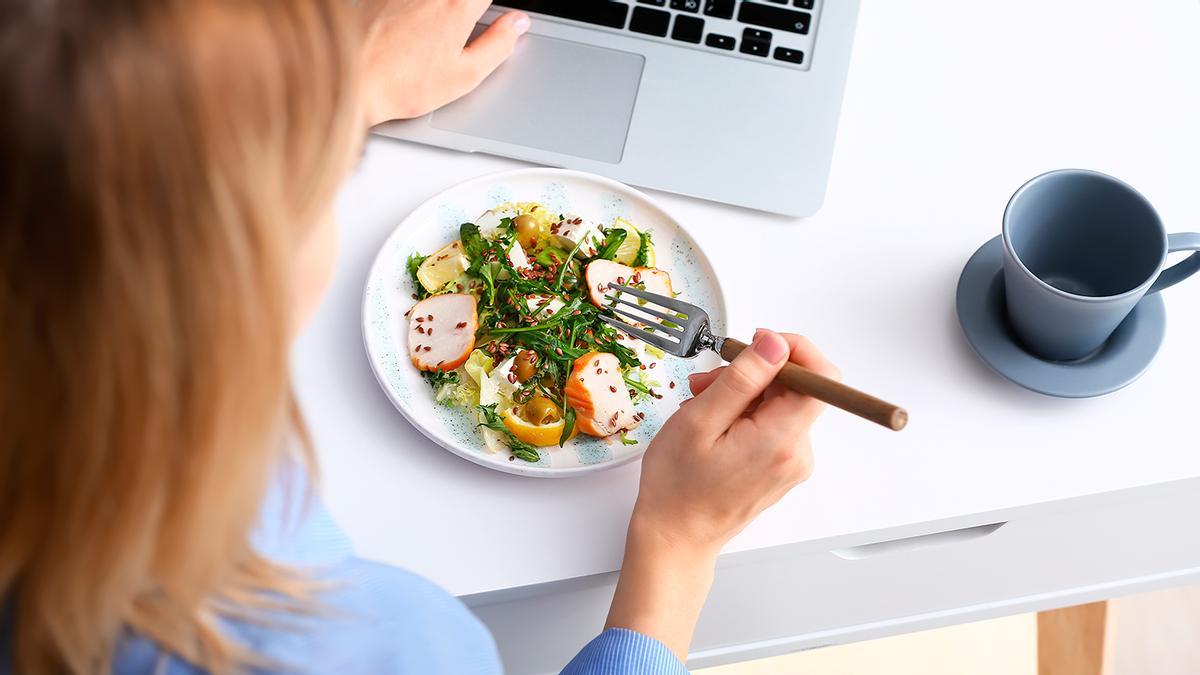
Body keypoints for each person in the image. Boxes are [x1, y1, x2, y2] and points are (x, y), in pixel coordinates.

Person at [0, 0, 840, 673]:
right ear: (241, 267)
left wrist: (343, 88)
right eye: (324, 179)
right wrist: (677, 547)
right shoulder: (372, 642)